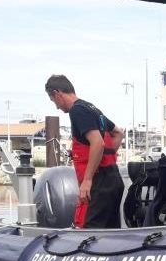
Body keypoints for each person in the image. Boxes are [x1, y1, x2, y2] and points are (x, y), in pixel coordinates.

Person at [45, 75, 125, 228]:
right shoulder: (92, 109)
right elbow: (118, 133)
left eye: (53, 100)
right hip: (113, 179)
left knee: (91, 234)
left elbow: (97, 143)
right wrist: (106, 160)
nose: (56, 107)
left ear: (57, 93)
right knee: (110, 235)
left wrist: (88, 180)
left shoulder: (77, 111)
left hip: (99, 183)